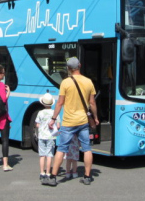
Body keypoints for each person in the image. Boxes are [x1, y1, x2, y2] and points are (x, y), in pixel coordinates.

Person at [42, 57, 99, 186]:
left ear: (68, 68)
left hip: (68, 122)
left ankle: (53, 177)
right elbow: (92, 103)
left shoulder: (65, 83)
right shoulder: (88, 82)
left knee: (61, 149)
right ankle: (87, 176)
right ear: (80, 65)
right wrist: (95, 117)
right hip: (83, 121)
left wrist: (53, 118)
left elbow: (60, 103)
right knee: (87, 148)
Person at [35, 93, 60, 182]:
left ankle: (42, 173)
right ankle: (48, 173)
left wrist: (42, 126)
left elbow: (37, 125)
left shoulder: (40, 112)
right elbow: (58, 125)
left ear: (43, 103)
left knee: (42, 155)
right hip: (51, 137)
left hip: (41, 136)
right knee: (49, 155)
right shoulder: (54, 113)